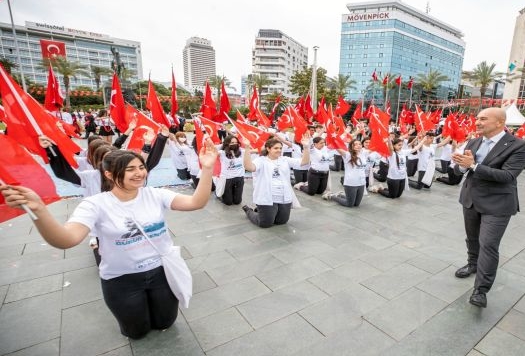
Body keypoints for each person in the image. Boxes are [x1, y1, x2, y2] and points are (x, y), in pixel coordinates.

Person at [0, 140, 218, 339]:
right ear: (109, 174)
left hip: (162, 272)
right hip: (122, 280)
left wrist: (207, 168)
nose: (139, 173)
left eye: (141, 167)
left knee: (166, 322)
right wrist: (39, 211)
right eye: (130, 169)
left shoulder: (156, 194)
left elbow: (196, 202)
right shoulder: (95, 204)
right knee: (136, 332)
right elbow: (66, 239)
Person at [451, 107, 525, 308]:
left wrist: (473, 166)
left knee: (488, 244)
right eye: (477, 118)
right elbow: (463, 169)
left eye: (483, 119)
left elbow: (508, 176)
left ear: (499, 122)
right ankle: (472, 264)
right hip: (470, 199)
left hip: (497, 204)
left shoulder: (519, 146)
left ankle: (481, 290)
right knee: (472, 238)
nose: (477, 122)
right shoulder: (474, 141)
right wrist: (461, 165)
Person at [241, 135, 310, 228]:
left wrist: (306, 147)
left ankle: (264, 212)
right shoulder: (261, 160)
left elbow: (304, 162)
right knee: (265, 224)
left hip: (283, 196)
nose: (279, 150)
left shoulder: (284, 159)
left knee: (282, 221)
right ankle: (249, 211)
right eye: (276, 148)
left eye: (280, 148)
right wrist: (246, 149)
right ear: (268, 149)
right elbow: (249, 167)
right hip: (267, 197)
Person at [323, 139, 367, 207]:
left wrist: (386, 140)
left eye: (359, 144)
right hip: (351, 183)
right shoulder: (347, 155)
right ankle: (332, 196)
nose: (358, 146)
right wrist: (333, 138)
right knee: (349, 204)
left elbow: (377, 147)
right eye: (355, 144)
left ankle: (340, 195)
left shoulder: (364, 154)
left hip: (361, 183)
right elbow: (337, 147)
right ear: (351, 146)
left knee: (356, 204)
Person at [217, 135, 245, 205]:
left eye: (236, 142)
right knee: (228, 202)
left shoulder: (241, 151)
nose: (234, 144)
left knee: (237, 202)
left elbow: (256, 150)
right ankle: (219, 194)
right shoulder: (222, 153)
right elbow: (212, 152)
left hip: (239, 177)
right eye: (232, 142)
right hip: (227, 179)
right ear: (227, 143)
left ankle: (231, 192)